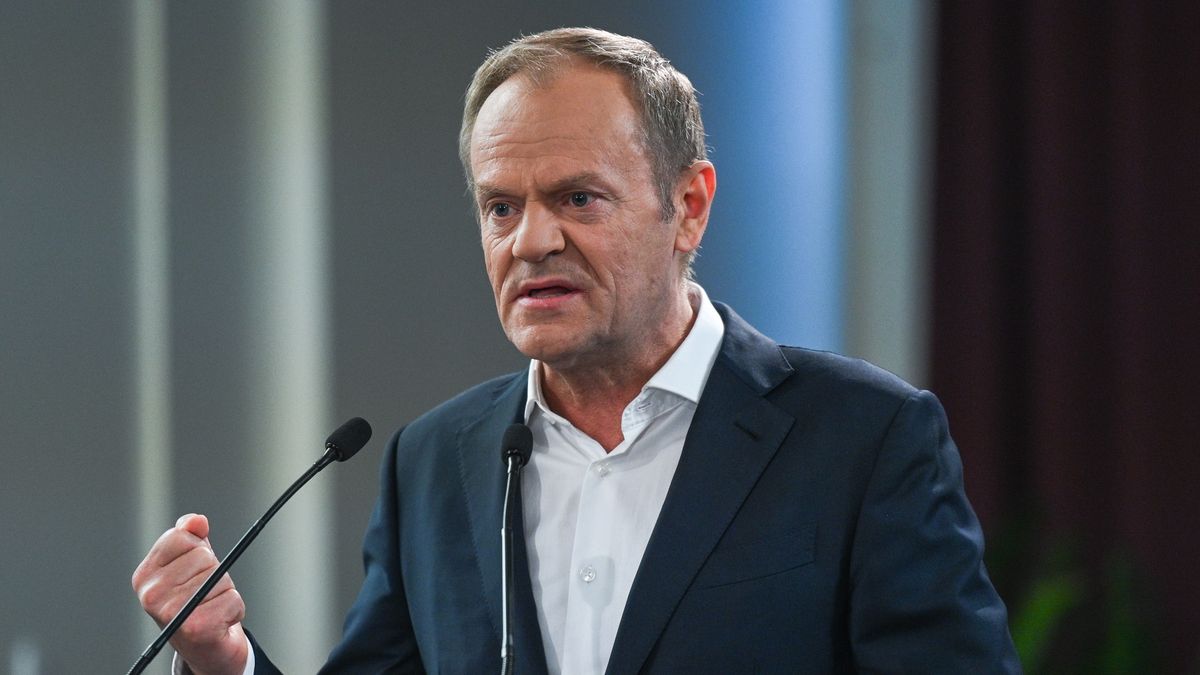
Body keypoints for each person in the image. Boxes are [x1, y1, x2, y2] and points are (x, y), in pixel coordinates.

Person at [133, 27, 1020, 674]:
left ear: (690, 206)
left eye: (578, 198)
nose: (530, 241)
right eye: (501, 207)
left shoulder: (862, 439)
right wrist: (224, 658)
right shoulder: (436, 462)